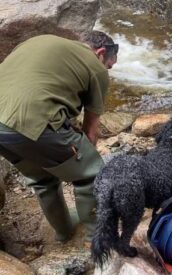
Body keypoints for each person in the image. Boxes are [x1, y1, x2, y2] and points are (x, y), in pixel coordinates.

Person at [0, 31, 118, 244]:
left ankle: (64, 231)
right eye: (109, 65)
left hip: (3, 128)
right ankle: (99, 239)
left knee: (42, 178)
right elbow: (91, 130)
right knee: (93, 174)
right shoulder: (96, 66)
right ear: (100, 53)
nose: (107, 70)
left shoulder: (39, 40)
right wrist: (82, 158)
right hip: (31, 120)